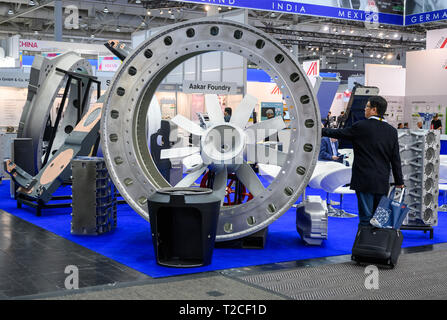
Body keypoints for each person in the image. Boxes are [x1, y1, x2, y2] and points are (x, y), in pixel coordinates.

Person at [322, 96, 404, 227]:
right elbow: (395, 159)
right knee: (379, 218)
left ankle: (365, 245)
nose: (365, 109)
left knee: (366, 218)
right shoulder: (391, 131)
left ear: (374, 109)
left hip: (364, 179)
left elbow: (339, 133)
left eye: (367, 106)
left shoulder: (361, 126)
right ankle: (378, 245)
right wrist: (399, 181)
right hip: (382, 180)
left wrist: (320, 130)